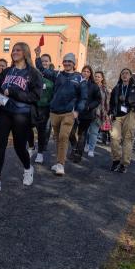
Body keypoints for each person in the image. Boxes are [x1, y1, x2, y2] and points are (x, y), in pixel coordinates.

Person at [0, 43, 42, 194]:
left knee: (18, 146)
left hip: (21, 114)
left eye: (18, 50)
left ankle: (28, 168)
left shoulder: (33, 73)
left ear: (25, 52)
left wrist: (14, 92)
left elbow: (35, 96)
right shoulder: (7, 71)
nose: (14, 52)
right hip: (3, 111)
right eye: (13, 50)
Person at [35, 48, 87, 176]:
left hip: (69, 113)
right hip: (54, 112)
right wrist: (37, 55)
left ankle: (61, 165)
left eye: (69, 61)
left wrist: (78, 111)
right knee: (58, 138)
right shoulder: (57, 74)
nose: (67, 63)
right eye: (65, 61)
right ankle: (58, 161)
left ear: (74, 64)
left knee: (64, 137)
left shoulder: (80, 79)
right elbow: (42, 69)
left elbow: (83, 97)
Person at [108, 68, 135, 173]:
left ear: (130, 76)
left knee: (128, 138)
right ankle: (116, 160)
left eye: (127, 73)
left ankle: (124, 163)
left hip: (130, 114)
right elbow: (112, 102)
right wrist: (110, 113)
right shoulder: (117, 88)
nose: (124, 75)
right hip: (117, 115)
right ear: (120, 76)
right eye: (122, 73)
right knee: (113, 137)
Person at [72, 65, 101, 163]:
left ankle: (78, 154)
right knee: (71, 133)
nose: (85, 73)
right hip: (74, 111)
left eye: (88, 72)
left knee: (82, 134)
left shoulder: (94, 85)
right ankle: (74, 147)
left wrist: (89, 107)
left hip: (87, 113)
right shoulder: (76, 82)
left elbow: (98, 100)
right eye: (84, 71)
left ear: (90, 74)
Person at [33, 53, 54, 164]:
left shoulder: (53, 75)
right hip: (33, 105)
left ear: (50, 62)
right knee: (26, 127)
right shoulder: (35, 74)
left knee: (42, 130)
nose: (44, 63)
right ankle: (31, 146)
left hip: (45, 108)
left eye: (46, 61)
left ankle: (40, 153)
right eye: (42, 61)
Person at [87, 71, 110, 157]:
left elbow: (107, 103)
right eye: (95, 76)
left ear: (102, 78)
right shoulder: (90, 86)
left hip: (99, 113)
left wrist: (106, 113)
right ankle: (86, 144)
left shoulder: (105, 89)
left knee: (94, 132)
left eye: (99, 77)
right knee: (87, 131)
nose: (96, 78)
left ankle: (91, 149)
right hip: (88, 111)